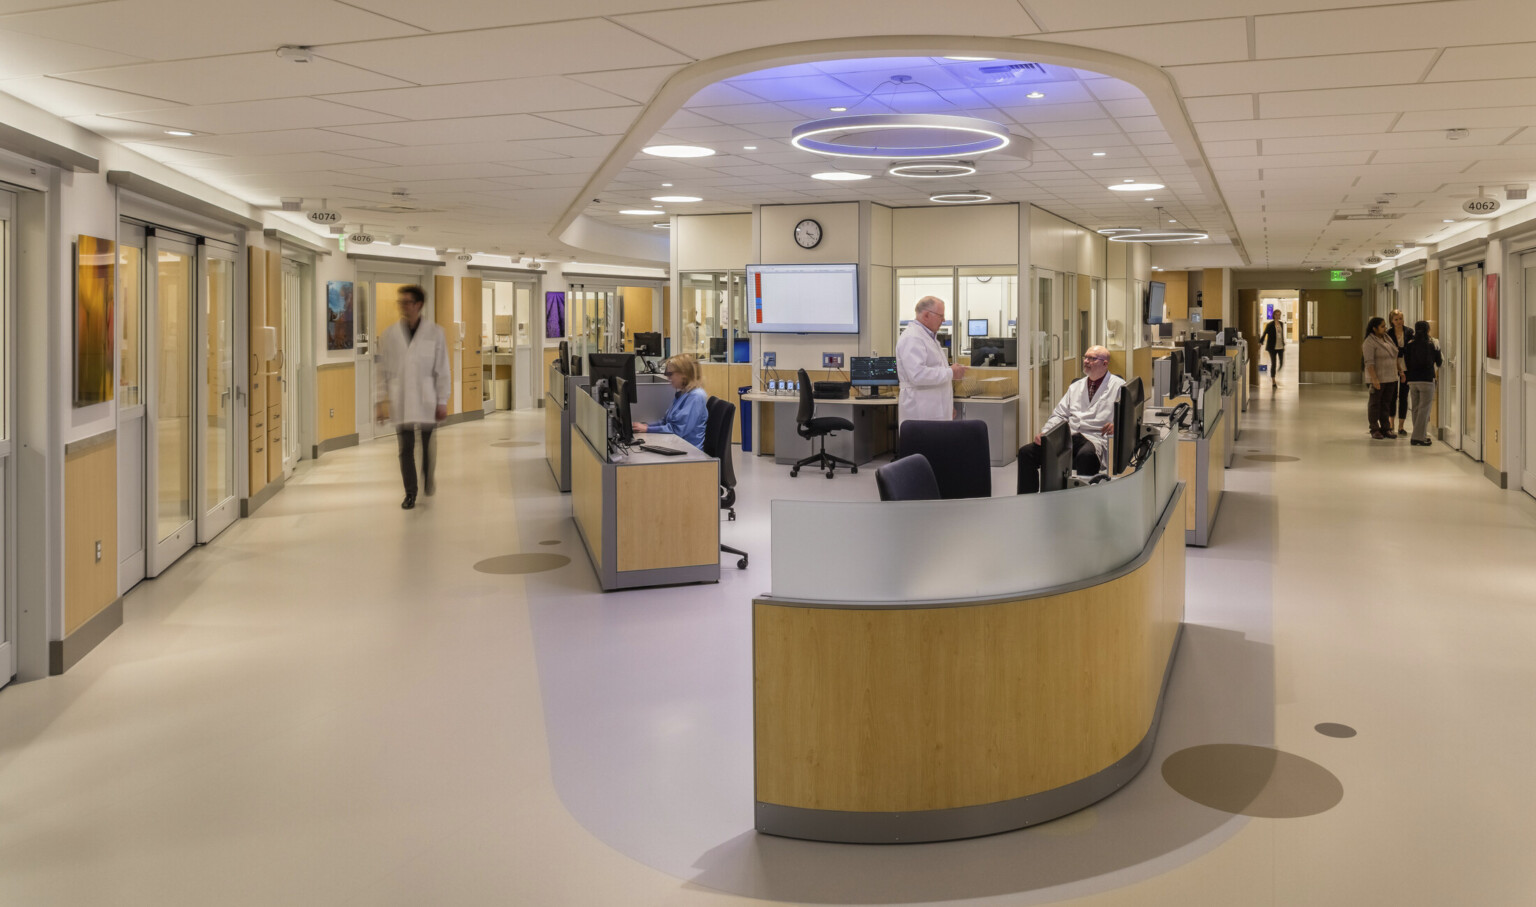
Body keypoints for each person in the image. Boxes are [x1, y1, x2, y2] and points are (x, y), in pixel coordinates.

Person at [375, 284, 450, 509]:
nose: (404, 307)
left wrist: (443, 401)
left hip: (427, 397)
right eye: (401, 303)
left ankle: (428, 475)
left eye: (408, 302)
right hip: (401, 398)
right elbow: (381, 371)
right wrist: (379, 401)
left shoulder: (435, 332)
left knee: (427, 445)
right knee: (405, 448)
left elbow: (442, 369)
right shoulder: (389, 335)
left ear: (419, 305)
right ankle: (410, 493)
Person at [1017, 345, 1124, 493]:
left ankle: (1082, 502)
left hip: (1095, 438)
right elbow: (1059, 414)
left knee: (1086, 456)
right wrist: (1046, 433)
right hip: (1070, 436)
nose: (1086, 361)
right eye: (1085, 357)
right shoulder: (1076, 386)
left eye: (1091, 358)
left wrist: (1116, 425)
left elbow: (1126, 418)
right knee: (1026, 453)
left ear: (1105, 363)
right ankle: (1026, 500)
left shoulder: (1118, 387)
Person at [896, 296, 966, 424]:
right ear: (927, 315)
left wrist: (947, 406)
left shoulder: (928, 338)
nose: (944, 320)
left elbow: (936, 372)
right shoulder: (912, 338)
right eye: (941, 316)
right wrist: (951, 372)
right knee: (923, 444)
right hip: (921, 412)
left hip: (934, 410)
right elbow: (917, 375)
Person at [632, 353, 708, 449]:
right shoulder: (682, 394)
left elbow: (677, 430)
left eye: (670, 374)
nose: (668, 378)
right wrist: (644, 426)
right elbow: (665, 422)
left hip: (689, 451)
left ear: (684, 373)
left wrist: (647, 429)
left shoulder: (696, 396)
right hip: (677, 444)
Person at [1401, 320, 1442, 447]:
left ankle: (1420, 435)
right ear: (1428, 330)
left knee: (1416, 408)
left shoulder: (1409, 344)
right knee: (1424, 409)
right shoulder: (1433, 343)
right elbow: (1439, 362)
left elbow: (1405, 362)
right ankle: (1417, 437)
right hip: (1427, 379)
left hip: (1413, 380)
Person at [1362, 316, 1401, 440]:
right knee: (1375, 404)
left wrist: (1400, 371)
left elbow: (1394, 355)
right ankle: (1374, 428)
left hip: (1391, 377)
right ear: (1374, 329)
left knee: (1386, 404)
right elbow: (1369, 363)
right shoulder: (1369, 342)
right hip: (1378, 378)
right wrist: (1374, 379)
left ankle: (1386, 428)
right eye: (1382, 326)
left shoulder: (1387, 338)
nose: (1385, 328)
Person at [1384, 309, 1413, 438]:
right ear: (1391, 321)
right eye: (1396, 319)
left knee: (1404, 396)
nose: (1399, 321)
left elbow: (1411, 349)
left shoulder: (1409, 332)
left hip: (1406, 367)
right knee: (1392, 396)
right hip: (1392, 367)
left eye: (1400, 318)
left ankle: (1401, 426)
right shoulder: (1388, 334)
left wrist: (1401, 350)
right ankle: (1391, 425)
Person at [1259, 312, 1286, 387]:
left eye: (1279, 315)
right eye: (1276, 315)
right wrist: (1260, 342)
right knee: (1273, 363)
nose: (1278, 316)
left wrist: (1283, 343)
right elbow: (1264, 333)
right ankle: (1273, 380)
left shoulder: (1281, 324)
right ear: (1273, 315)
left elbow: (1281, 334)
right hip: (1272, 347)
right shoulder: (1270, 325)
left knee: (1281, 362)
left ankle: (1277, 370)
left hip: (1280, 346)